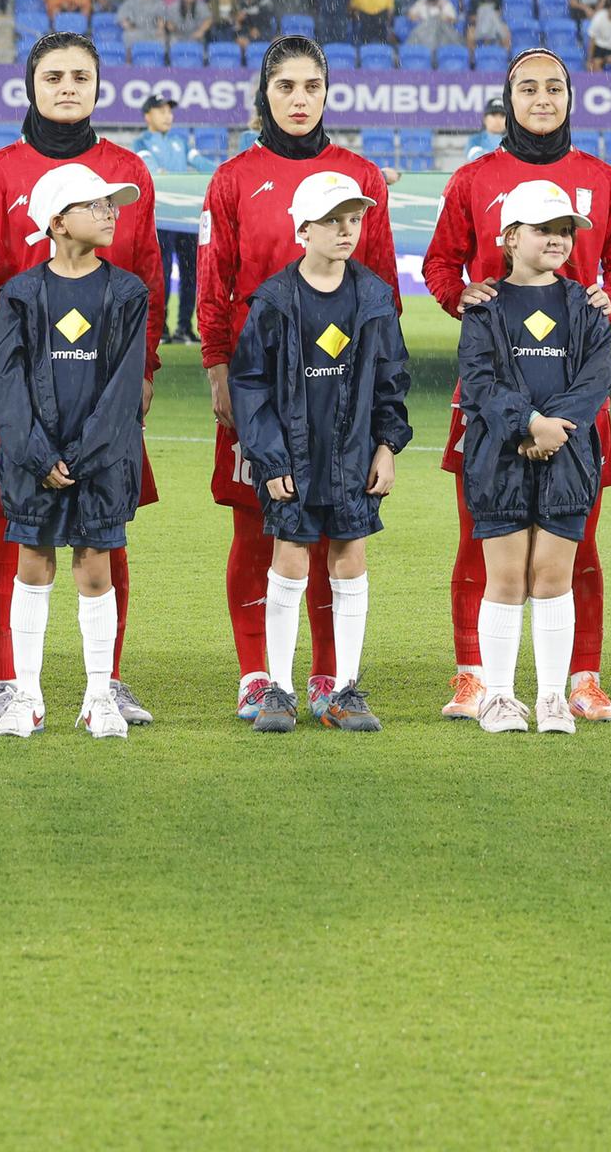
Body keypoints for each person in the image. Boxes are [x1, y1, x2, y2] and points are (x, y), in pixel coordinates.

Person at [424, 51, 611, 723]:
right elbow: (438, 263)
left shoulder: (600, 179)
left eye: (554, 87)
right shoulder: (473, 179)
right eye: (528, 87)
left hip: (572, 390)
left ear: (571, 97)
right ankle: (475, 677)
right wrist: (462, 297)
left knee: (577, 539)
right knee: (480, 537)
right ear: (507, 96)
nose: (541, 97)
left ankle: (581, 678)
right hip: (492, 391)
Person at [0, 35, 164, 730]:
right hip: (21, 397)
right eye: (54, 76)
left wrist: (145, 369)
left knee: (106, 538)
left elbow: (150, 277)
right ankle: (10, 680)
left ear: (99, 86)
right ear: (32, 84)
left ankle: (107, 681)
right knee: (15, 535)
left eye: (82, 76)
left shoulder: (127, 168)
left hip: (106, 391)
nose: (68, 86)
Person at [197, 38, 399, 723]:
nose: (299, 98)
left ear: (327, 92)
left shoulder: (362, 177)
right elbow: (214, 282)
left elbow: (385, 294)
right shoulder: (231, 178)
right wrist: (219, 370)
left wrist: (381, 416)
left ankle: (327, 678)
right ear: (265, 92)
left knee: (336, 529)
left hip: (341, 392)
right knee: (260, 528)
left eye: (311, 85)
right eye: (285, 86)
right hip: (260, 386)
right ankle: (259, 675)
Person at [230, 171, 411, 735]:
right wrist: (272, 461)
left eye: (354, 219)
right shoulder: (276, 299)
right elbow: (250, 384)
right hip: (294, 461)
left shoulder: (375, 296)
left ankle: (343, 690)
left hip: (355, 456)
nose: (346, 230)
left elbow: (391, 380)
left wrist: (388, 445)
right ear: (302, 228)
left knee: (349, 559)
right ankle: (279, 691)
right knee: (289, 559)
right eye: (333, 220)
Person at [0, 164, 152, 741]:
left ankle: (98, 695)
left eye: (112, 205)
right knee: (32, 562)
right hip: (36, 461)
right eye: (95, 205)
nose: (109, 213)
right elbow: (3, 384)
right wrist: (36, 453)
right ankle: (26, 695)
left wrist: (79, 457)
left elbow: (125, 387)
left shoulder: (128, 292)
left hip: (100, 462)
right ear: (56, 221)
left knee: (96, 568)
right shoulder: (21, 293)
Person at [454, 178, 611, 735]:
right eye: (543, 229)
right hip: (498, 454)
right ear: (508, 236)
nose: (557, 239)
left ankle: (551, 698)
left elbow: (597, 376)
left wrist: (553, 429)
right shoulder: (483, 307)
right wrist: (527, 422)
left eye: (565, 230)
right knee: (504, 580)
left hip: (567, 454)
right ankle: (499, 698)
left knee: (552, 578)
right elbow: (478, 382)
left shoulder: (587, 304)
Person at [134, 95, 213, 345]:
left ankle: (184, 327)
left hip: (188, 220)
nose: (167, 115)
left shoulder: (180, 140)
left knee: (192, 275)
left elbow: (202, 164)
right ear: (148, 116)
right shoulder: (142, 141)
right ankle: (162, 327)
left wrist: (225, 170)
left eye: (169, 111)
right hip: (163, 219)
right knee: (163, 273)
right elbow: (152, 170)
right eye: (161, 111)